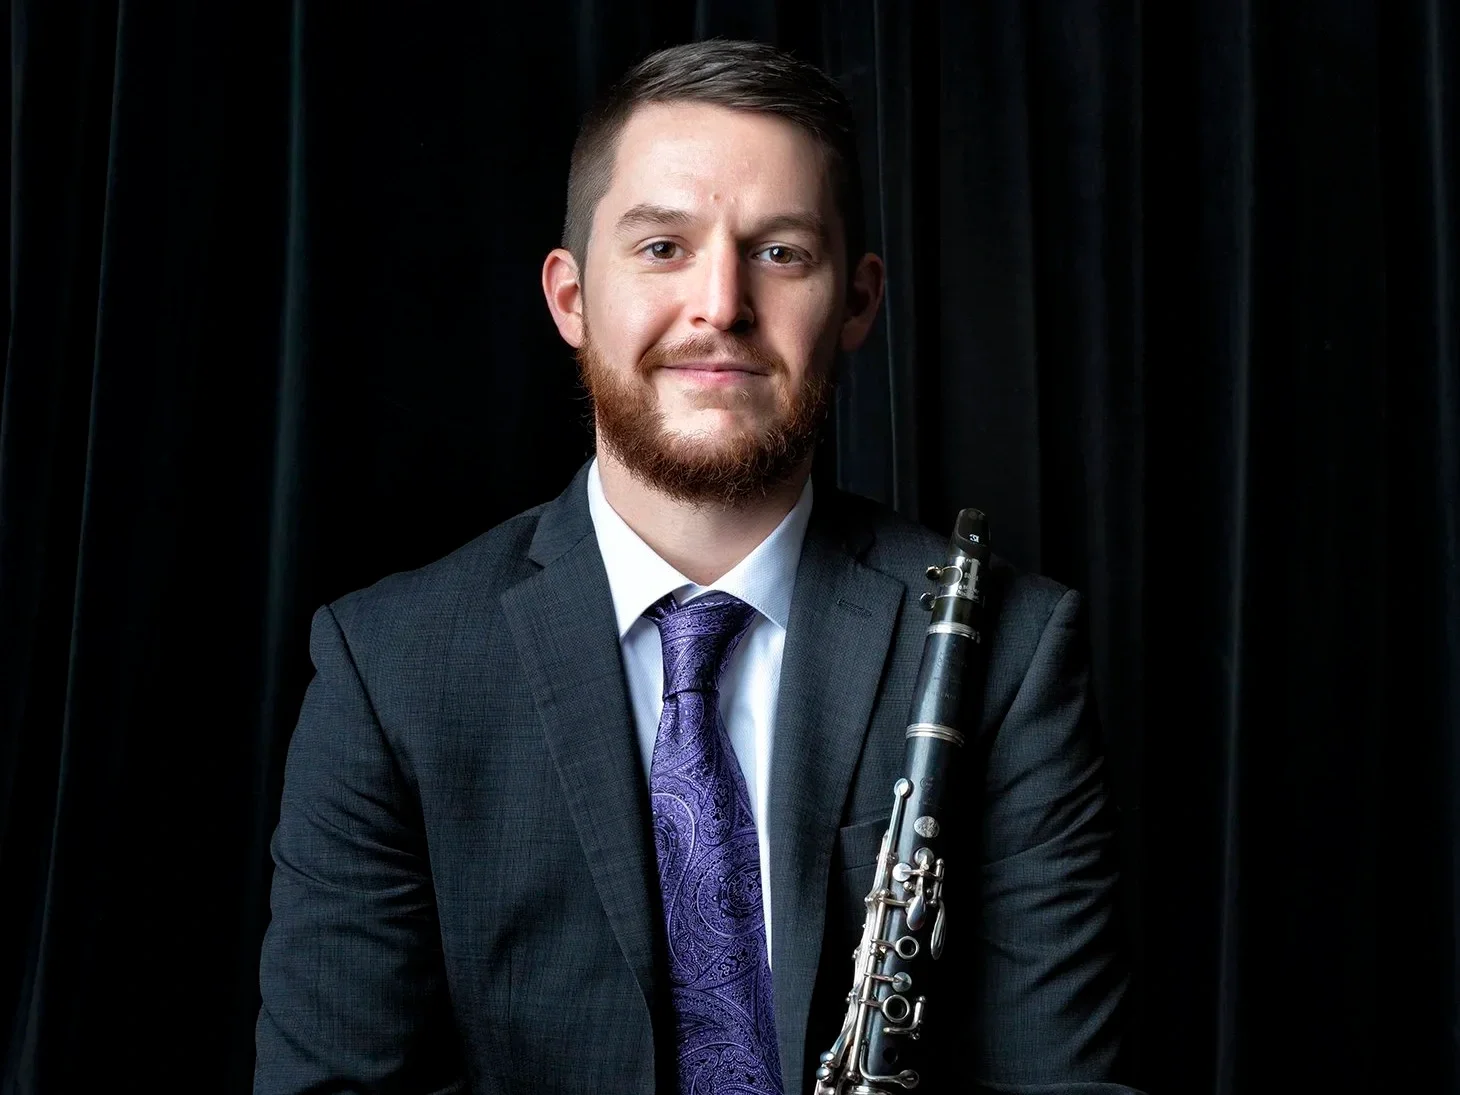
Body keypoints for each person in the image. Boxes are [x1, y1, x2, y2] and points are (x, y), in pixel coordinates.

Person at [254, 39, 1136, 1095]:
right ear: (571, 298)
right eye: (663, 247)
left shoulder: (1011, 655)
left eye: (778, 253)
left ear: (856, 302)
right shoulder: (389, 667)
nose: (719, 304)